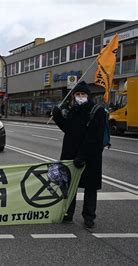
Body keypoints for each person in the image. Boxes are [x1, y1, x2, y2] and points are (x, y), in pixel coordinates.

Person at [52, 81, 105, 229]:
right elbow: (69, 130)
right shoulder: (74, 110)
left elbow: (95, 137)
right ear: (74, 96)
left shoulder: (97, 111)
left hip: (89, 157)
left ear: (88, 96)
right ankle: (68, 214)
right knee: (70, 187)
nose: (80, 97)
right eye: (78, 94)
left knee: (90, 188)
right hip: (71, 155)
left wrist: (82, 156)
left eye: (83, 94)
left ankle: (89, 217)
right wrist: (58, 118)